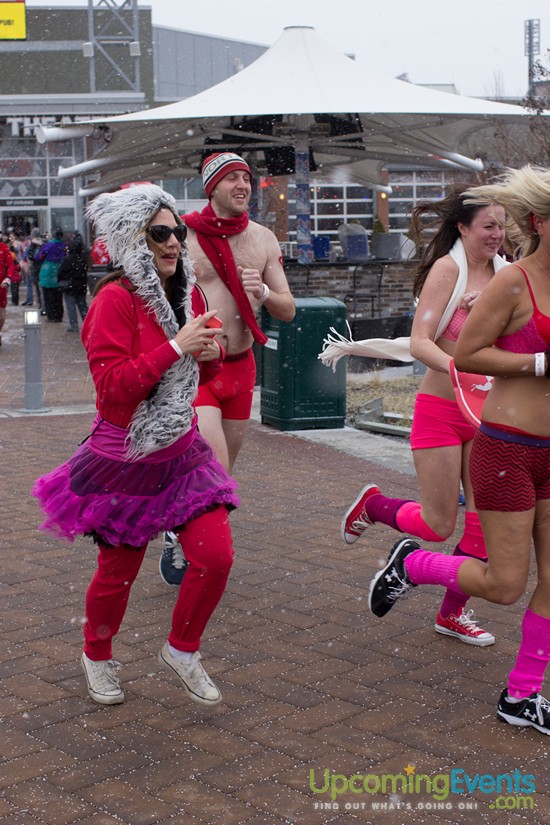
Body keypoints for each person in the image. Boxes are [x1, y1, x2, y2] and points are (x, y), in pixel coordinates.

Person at [33, 184, 239, 707]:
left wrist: (210, 352)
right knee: (118, 573)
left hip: (181, 451)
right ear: (132, 241)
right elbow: (113, 390)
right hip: (124, 456)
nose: (173, 243)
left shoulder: (185, 294)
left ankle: (182, 648)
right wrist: (176, 347)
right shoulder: (113, 301)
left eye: (177, 232)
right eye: (159, 234)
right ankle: (96, 655)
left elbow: (209, 372)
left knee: (215, 557)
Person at [368, 165, 550, 736]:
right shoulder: (513, 282)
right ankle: (414, 564)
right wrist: (540, 363)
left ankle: (521, 696)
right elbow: (467, 352)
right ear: (541, 222)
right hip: (508, 451)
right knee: (504, 584)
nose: (495, 235)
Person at [342, 185, 506, 646]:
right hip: (440, 407)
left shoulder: (506, 272)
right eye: (488, 226)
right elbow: (419, 341)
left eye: (502, 225)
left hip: (487, 412)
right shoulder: (447, 269)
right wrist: (459, 366)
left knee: (483, 524)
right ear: (463, 228)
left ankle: (452, 613)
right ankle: (373, 507)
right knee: (438, 524)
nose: (497, 235)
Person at [159, 152, 295, 585]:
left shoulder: (263, 239)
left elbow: (288, 309)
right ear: (211, 186)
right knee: (213, 468)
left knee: (220, 475)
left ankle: (176, 524)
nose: (243, 185)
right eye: (232, 178)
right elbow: (154, 299)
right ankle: (201, 554)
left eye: (247, 179)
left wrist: (265, 293)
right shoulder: (182, 236)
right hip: (197, 369)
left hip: (242, 368)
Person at [57, 233, 89, 333]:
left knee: (71, 306)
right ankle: (88, 324)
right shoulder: (83, 259)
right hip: (81, 285)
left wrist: (61, 280)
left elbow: (61, 272)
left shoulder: (67, 259)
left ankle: (74, 325)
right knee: (82, 305)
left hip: (69, 285)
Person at [37, 227, 66, 322]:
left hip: (47, 273)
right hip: (59, 273)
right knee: (58, 297)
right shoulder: (63, 245)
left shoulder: (48, 245)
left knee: (48, 297)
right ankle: (59, 315)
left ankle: (51, 316)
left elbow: (38, 256)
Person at [25, 228, 45, 313]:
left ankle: (41, 306)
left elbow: (29, 257)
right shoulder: (44, 243)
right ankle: (43, 307)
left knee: (38, 289)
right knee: (42, 290)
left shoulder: (32, 245)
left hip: (35, 269)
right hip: (43, 268)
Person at [0, 235, 15, 346]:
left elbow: (11, 265)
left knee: (1, 315)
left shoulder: (3, 248)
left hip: (1, 286)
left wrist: (8, 278)